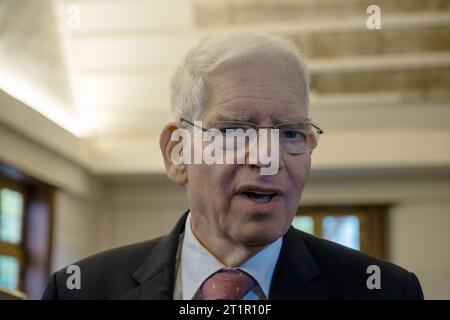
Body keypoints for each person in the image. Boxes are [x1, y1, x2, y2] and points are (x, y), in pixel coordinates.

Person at [42, 32, 423, 300]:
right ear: (178, 152)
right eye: (236, 130)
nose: (266, 157)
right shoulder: (81, 289)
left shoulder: (385, 291)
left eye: (291, 133)